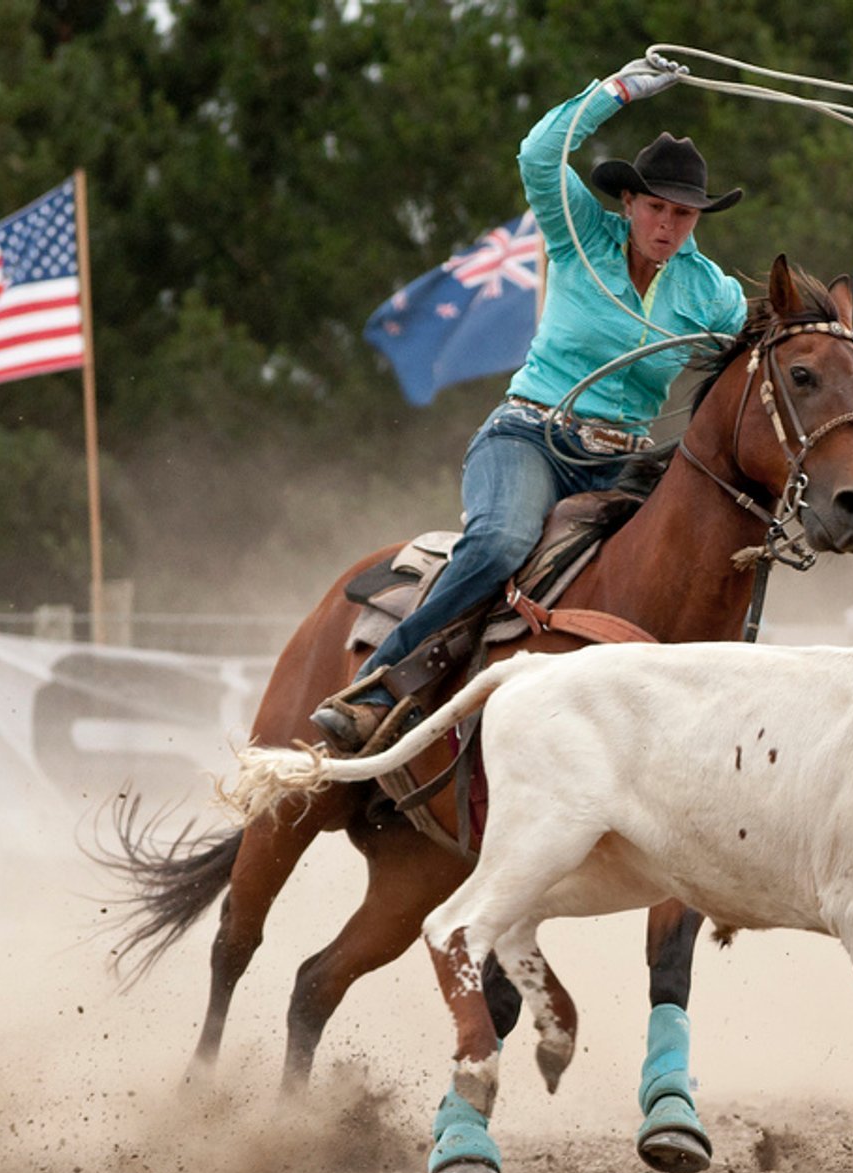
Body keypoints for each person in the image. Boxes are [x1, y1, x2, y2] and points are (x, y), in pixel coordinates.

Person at [313, 55, 749, 752]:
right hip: (532, 436)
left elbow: (758, 357)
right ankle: (380, 680)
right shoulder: (579, 231)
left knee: (695, 559)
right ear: (629, 203)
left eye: (684, 213)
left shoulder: (713, 294)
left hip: (626, 466)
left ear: (698, 218)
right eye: (657, 207)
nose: (667, 225)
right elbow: (540, 152)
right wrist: (619, 90)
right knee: (500, 541)